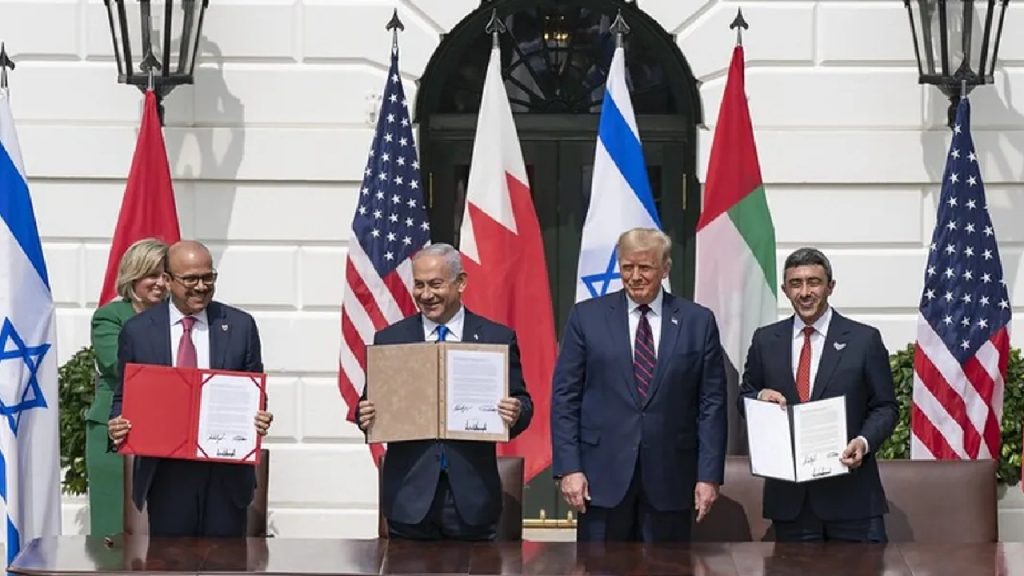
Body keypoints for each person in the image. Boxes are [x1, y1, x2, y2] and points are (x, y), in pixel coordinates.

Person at [551, 227, 727, 542]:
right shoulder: (586, 318)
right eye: (627, 267)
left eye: (644, 267)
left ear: (665, 269)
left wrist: (709, 475)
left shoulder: (697, 321)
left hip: (671, 479)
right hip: (600, 480)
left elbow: (711, 405)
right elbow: (566, 399)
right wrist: (568, 468)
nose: (635, 276)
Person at [357, 243, 533, 541]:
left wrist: (515, 410)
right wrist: (365, 415)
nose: (426, 295)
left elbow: (524, 404)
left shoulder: (494, 337)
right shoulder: (391, 339)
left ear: (460, 282)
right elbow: (368, 404)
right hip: (409, 498)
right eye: (420, 285)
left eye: (436, 284)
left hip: (472, 499)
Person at [107, 240, 274, 537]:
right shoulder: (138, 331)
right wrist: (117, 424)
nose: (201, 286)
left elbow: (254, 391)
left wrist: (260, 416)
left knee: (226, 566)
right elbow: (123, 396)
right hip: (166, 475)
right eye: (191, 279)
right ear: (169, 281)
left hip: (225, 474)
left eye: (208, 277)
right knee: (169, 565)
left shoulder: (240, 326)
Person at [738, 247, 898, 542]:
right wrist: (759, 396)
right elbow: (743, 396)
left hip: (853, 501)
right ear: (785, 290)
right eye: (796, 284)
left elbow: (886, 407)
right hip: (791, 502)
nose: (805, 292)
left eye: (814, 282)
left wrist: (863, 442)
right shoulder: (765, 340)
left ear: (830, 287)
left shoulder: (864, 339)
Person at [86, 238, 169, 536]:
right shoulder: (110, 316)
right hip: (115, 428)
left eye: (165, 275)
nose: (160, 283)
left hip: (167, 429)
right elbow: (116, 365)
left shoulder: (180, 320)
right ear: (133, 277)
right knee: (114, 527)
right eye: (152, 275)